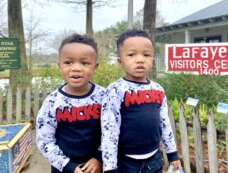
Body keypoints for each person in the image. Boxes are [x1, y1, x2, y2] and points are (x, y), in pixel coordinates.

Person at [101, 29, 182, 173]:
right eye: (131, 55)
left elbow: (165, 124)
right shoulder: (115, 90)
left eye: (146, 55)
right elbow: (109, 131)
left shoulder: (158, 89)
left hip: (154, 160)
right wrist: (109, 168)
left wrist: (173, 155)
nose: (140, 59)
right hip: (125, 163)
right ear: (120, 61)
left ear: (152, 59)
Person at [36, 33, 105, 173]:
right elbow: (44, 140)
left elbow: (112, 132)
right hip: (62, 168)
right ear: (59, 66)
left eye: (84, 63)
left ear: (95, 67)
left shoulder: (105, 97)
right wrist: (68, 166)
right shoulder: (53, 102)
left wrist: (99, 158)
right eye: (68, 62)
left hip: (96, 167)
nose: (76, 68)